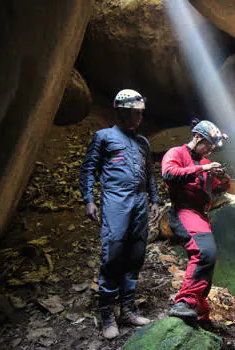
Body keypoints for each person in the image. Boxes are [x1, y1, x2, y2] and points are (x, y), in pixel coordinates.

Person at [79, 89, 160, 339]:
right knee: (113, 253)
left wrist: (154, 200)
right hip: (115, 199)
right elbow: (88, 168)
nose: (137, 118)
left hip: (139, 202)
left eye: (140, 113)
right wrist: (89, 199)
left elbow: (148, 175)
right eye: (133, 112)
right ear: (121, 111)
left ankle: (127, 309)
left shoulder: (143, 142)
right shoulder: (104, 137)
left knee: (136, 254)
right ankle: (106, 314)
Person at [161, 119, 230, 328]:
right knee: (204, 252)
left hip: (201, 214)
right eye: (208, 144)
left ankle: (199, 312)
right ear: (197, 136)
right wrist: (202, 169)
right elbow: (169, 174)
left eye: (212, 147)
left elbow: (220, 188)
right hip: (183, 210)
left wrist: (221, 176)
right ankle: (184, 302)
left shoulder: (203, 162)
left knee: (209, 258)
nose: (210, 150)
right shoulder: (177, 153)